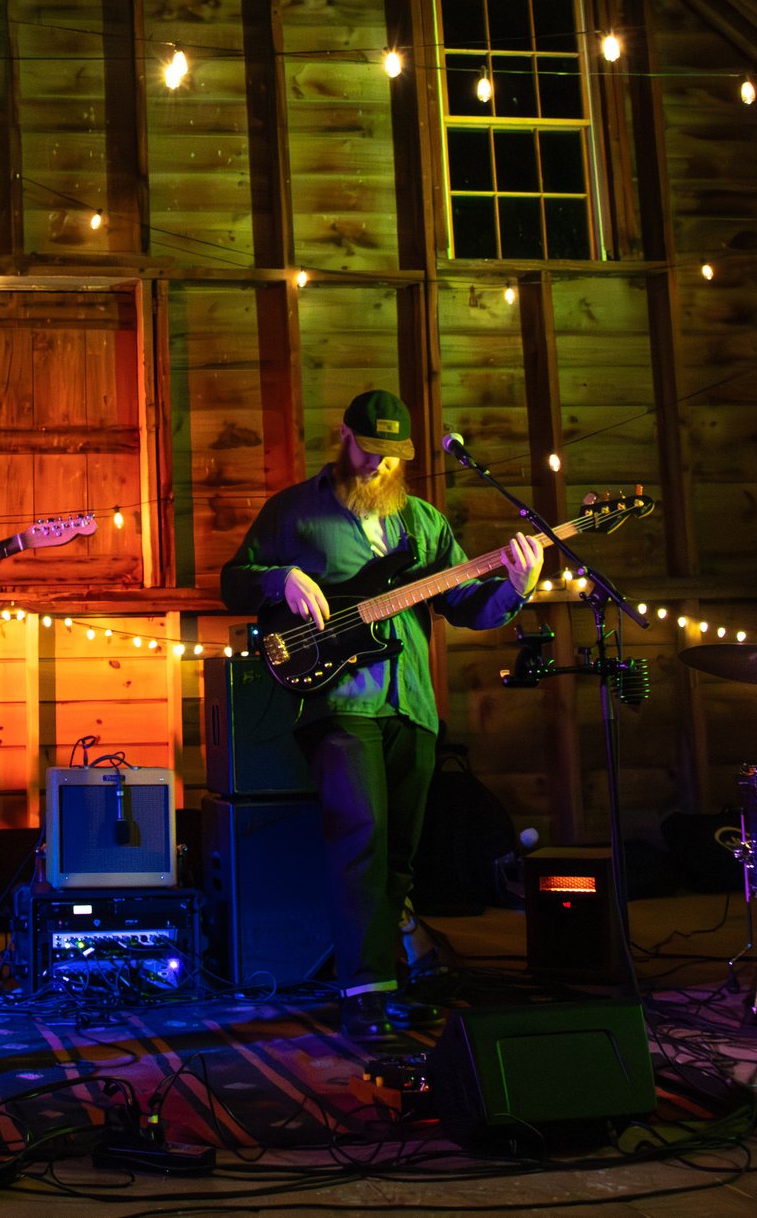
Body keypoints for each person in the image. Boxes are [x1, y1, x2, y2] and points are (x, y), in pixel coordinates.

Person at [221, 389, 544, 1042]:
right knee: (360, 831)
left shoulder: (423, 524)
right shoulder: (294, 512)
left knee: (398, 850)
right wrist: (278, 577)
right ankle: (364, 995)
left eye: (393, 456)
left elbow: (466, 604)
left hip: (411, 702)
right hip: (338, 703)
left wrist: (515, 587)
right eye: (371, 449)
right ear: (344, 435)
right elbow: (235, 580)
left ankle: (391, 979)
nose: (379, 466)